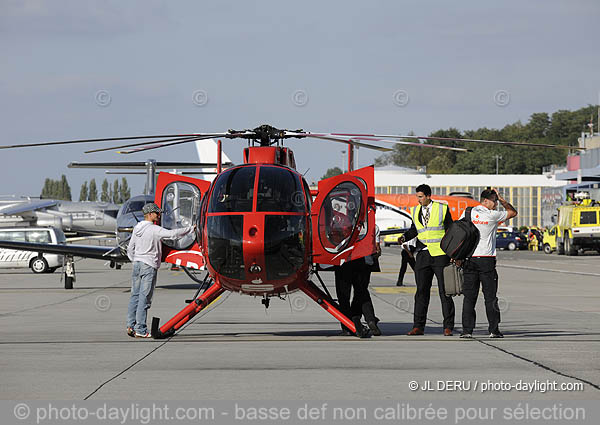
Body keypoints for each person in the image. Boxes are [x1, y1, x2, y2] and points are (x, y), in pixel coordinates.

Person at [126, 203, 194, 338]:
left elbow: (130, 248)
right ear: (150, 214)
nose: (159, 215)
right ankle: (140, 329)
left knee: (135, 296)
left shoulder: (137, 228)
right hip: (148, 265)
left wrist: (135, 259)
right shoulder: (154, 229)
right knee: (144, 298)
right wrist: (190, 229)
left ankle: (130, 325)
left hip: (137, 265)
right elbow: (173, 235)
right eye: (157, 213)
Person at [459, 188, 517, 339]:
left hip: (469, 259)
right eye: (494, 201)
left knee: (469, 297)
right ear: (486, 200)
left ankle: (467, 330)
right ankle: (493, 329)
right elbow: (513, 212)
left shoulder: (468, 212)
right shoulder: (493, 215)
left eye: (497, 201)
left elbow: (459, 231)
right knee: (490, 297)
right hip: (486, 260)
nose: (496, 204)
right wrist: (504, 200)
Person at [398, 184, 455, 336]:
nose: (418, 200)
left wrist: (452, 253)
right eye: (417, 196)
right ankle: (418, 326)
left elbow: (451, 231)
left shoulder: (442, 208)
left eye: (421, 197)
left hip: (440, 254)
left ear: (428, 196)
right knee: (421, 291)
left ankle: (448, 326)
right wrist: (405, 237)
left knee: (445, 292)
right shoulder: (415, 210)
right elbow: (414, 230)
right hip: (423, 254)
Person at [334, 226, 381, 337]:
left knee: (343, 297)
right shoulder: (374, 226)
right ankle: (370, 319)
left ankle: (347, 326)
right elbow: (377, 249)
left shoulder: (343, 226)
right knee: (361, 293)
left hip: (344, 262)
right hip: (364, 263)